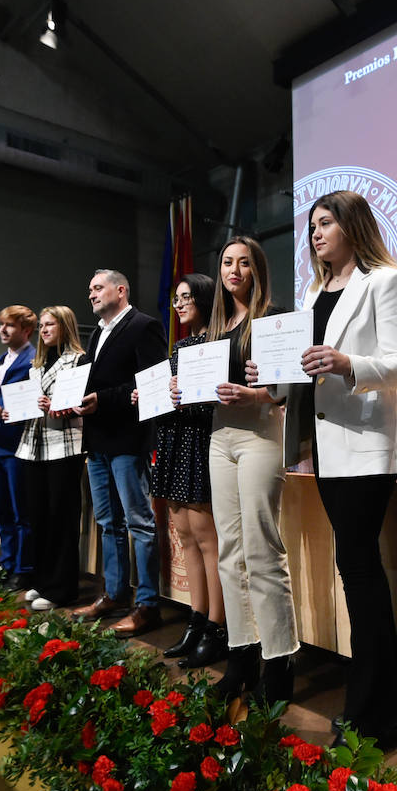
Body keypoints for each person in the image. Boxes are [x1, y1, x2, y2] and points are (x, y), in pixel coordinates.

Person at [260, 189, 397, 741]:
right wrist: (272, 371)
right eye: (312, 226)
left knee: (360, 569)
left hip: (366, 445)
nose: (315, 233)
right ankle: (381, 702)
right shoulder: (311, 293)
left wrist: (349, 362)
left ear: (353, 225)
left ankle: (379, 708)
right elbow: (303, 375)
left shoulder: (384, 282)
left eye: (325, 222)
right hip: (325, 447)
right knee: (355, 569)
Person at [206, 236, 297, 701]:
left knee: (262, 549)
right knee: (230, 550)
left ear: (257, 268)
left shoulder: (274, 319)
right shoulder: (216, 325)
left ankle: (278, 664)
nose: (233, 269)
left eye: (243, 262)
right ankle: (240, 655)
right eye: (226, 262)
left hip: (261, 432)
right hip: (219, 437)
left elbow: (286, 387)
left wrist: (257, 395)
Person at [77, 269, 169, 635]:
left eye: (97, 288)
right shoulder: (97, 332)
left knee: (138, 523)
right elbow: (90, 378)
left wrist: (104, 399)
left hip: (128, 439)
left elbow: (152, 380)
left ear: (121, 289)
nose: (91, 295)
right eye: (90, 289)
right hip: (97, 440)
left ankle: (147, 605)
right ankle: (114, 592)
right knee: (107, 523)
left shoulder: (143, 325)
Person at [147, 273, 227, 668]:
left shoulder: (218, 343)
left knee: (206, 538)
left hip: (200, 441)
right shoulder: (179, 345)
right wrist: (149, 396)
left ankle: (218, 627)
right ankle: (196, 620)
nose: (178, 305)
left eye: (185, 297)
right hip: (176, 442)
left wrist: (179, 395)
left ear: (204, 298)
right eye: (175, 298)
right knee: (184, 535)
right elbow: (172, 397)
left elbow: (214, 401)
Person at [14, 306, 87, 611]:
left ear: (65, 326)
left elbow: (80, 403)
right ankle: (42, 580)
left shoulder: (79, 360)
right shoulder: (36, 364)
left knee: (61, 518)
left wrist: (59, 404)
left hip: (64, 447)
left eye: (50, 324)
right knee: (38, 516)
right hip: (32, 447)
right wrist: (14, 411)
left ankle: (62, 588)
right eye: (41, 325)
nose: (44, 330)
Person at [0, 305, 35, 588]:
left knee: (20, 510)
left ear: (26, 330)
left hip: (18, 443)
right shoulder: (0, 360)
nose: (2, 330)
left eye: (9, 325)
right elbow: (0, 398)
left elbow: (31, 402)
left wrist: (0, 409)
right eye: (1, 324)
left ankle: (24, 568)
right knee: (0, 508)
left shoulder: (34, 359)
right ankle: (7, 562)